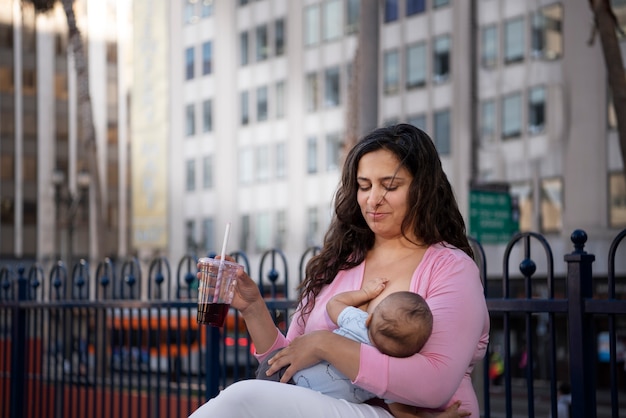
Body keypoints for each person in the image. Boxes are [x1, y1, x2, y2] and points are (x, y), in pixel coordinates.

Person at [189, 123, 490, 418]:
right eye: (364, 186)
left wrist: (326, 344)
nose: (373, 199)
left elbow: (433, 383)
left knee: (244, 398)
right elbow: (287, 370)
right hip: (322, 404)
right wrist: (253, 307)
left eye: (390, 186)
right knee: (250, 398)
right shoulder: (337, 264)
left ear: (422, 189)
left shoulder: (451, 269)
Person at [256, 277, 434, 416]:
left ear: (371, 318)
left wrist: (365, 293)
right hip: (301, 393)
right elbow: (401, 413)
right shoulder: (385, 374)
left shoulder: (360, 321)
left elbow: (334, 304)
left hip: (285, 372)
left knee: (256, 404)